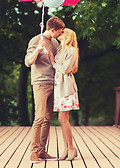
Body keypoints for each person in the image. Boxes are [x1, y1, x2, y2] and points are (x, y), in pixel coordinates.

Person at [25, 16, 65, 163]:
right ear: (52, 30)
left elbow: (57, 62)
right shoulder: (36, 40)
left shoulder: (54, 42)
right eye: (59, 31)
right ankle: (33, 153)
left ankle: (42, 151)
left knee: (48, 119)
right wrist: (38, 50)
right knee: (40, 117)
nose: (61, 34)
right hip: (40, 83)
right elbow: (28, 62)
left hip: (53, 83)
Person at [49, 28, 79, 161]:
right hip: (58, 86)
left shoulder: (72, 50)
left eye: (62, 32)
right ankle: (66, 149)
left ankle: (71, 148)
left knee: (63, 118)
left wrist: (54, 63)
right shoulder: (60, 49)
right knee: (61, 119)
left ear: (68, 36)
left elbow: (66, 69)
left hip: (66, 86)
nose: (60, 33)